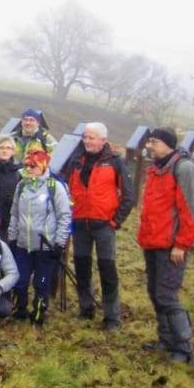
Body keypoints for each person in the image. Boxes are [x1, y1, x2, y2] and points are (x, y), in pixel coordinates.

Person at [137, 127, 194, 364]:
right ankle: (165, 340)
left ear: (167, 143)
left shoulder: (184, 169)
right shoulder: (157, 168)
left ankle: (183, 348)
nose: (149, 145)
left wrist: (182, 244)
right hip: (152, 241)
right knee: (155, 293)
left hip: (171, 246)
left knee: (167, 296)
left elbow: (193, 211)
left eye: (154, 141)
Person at [64, 122, 134, 330]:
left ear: (103, 140)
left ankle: (112, 317)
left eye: (92, 138)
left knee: (107, 269)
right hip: (80, 223)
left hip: (104, 225)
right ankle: (86, 309)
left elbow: (129, 197)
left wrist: (115, 221)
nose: (87, 141)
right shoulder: (76, 161)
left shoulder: (116, 162)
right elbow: (68, 189)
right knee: (82, 267)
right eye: (85, 137)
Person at [7, 148, 71, 326]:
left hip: (45, 248)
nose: (29, 169)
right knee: (19, 281)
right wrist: (12, 238)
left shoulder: (54, 187)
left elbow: (64, 216)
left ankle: (38, 312)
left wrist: (59, 243)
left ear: (43, 166)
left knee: (42, 283)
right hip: (22, 245)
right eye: (27, 166)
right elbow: (14, 214)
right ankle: (20, 308)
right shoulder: (21, 186)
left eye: (33, 166)